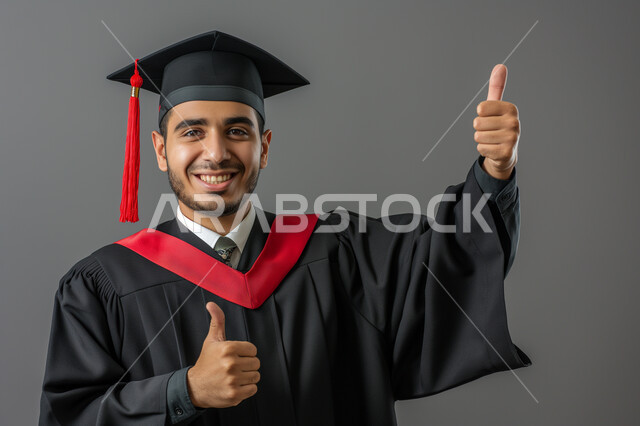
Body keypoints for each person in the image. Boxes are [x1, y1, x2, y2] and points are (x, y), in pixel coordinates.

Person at [39, 30, 531, 425]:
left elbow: (457, 257)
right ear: (160, 148)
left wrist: (495, 169)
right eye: (191, 131)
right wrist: (182, 392)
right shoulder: (101, 286)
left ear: (265, 146)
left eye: (237, 130)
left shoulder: (342, 251)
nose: (215, 153)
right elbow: (71, 415)